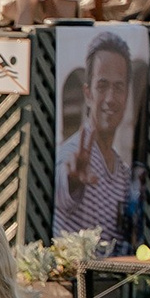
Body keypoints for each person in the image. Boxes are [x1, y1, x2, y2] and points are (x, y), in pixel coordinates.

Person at [57, 28, 141, 244]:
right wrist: (73, 181)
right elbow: (63, 182)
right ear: (88, 93)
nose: (110, 99)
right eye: (102, 86)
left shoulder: (122, 172)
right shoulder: (72, 153)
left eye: (119, 87)